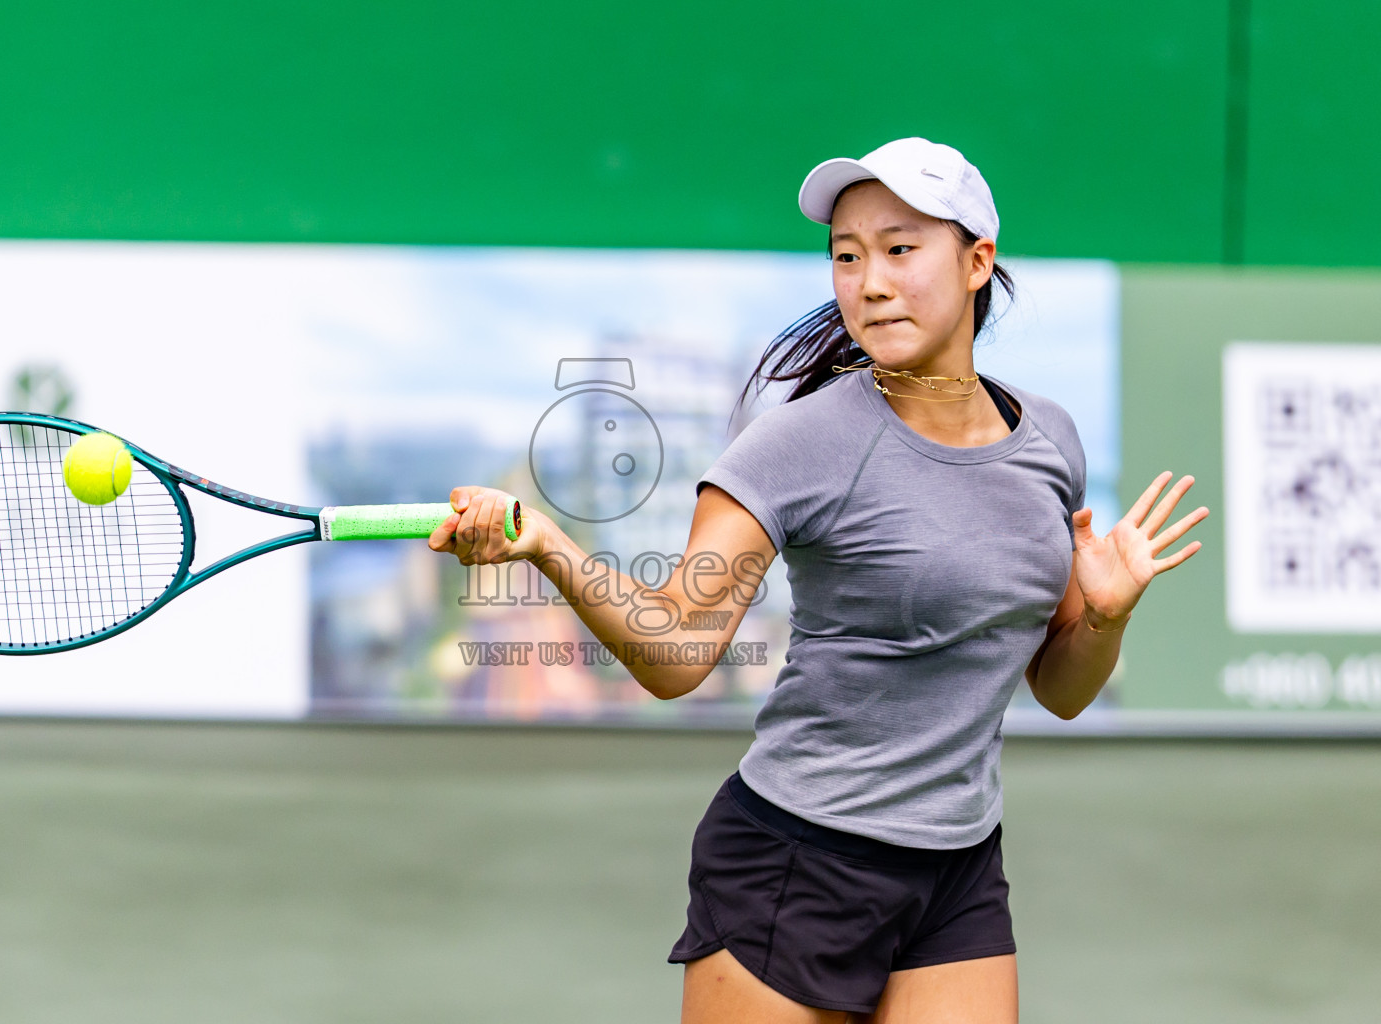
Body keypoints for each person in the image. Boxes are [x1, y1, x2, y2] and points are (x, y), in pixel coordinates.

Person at [429, 136, 1209, 1023]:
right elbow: (677, 654)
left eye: (900, 248)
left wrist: (1104, 618)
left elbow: (1062, 691)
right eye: (846, 256)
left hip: (958, 868)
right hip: (795, 864)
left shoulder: (1050, 442)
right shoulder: (800, 443)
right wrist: (547, 545)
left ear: (977, 261)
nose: (869, 281)